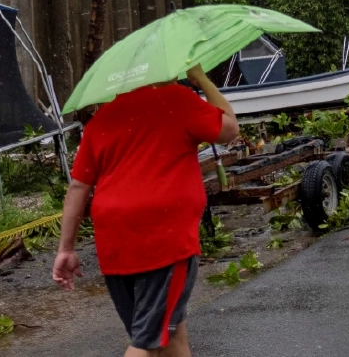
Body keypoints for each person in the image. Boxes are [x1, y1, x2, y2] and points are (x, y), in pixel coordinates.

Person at [53, 64, 239, 357]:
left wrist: (66, 249)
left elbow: (78, 187)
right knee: (147, 342)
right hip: (165, 240)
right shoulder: (176, 100)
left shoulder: (100, 121)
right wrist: (201, 79)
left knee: (169, 331)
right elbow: (229, 128)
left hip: (115, 244)